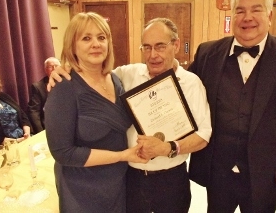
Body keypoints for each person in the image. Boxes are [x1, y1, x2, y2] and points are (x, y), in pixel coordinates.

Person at [48, 17, 212, 213]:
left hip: (171, 179)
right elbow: (87, 75)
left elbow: (204, 135)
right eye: (147, 47)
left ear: (175, 45)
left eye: (160, 46)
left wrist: (169, 147)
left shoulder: (191, 83)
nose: (153, 55)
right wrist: (62, 68)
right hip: (130, 178)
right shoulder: (126, 75)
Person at [188, 0, 276, 212]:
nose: (247, 17)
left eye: (256, 10)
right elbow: (184, 92)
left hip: (267, 172)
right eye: (240, 10)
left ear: (269, 15)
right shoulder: (207, 53)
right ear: (232, 16)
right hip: (218, 170)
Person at [44, 12, 147, 213]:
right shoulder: (64, 87)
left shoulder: (115, 79)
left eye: (101, 37)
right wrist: (122, 155)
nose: (96, 44)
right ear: (72, 46)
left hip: (117, 181)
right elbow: (62, 153)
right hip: (82, 189)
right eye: (86, 38)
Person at [0, 69, 31, 147]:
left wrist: (27, 133)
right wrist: (8, 141)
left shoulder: (3, 96)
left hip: (25, 138)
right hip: (4, 147)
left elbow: (22, 115)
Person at [27, 57, 60, 134]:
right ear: (45, 70)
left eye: (56, 66)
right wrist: (41, 132)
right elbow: (34, 111)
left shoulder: (68, 81)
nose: (54, 68)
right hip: (50, 124)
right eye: (50, 66)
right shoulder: (38, 87)